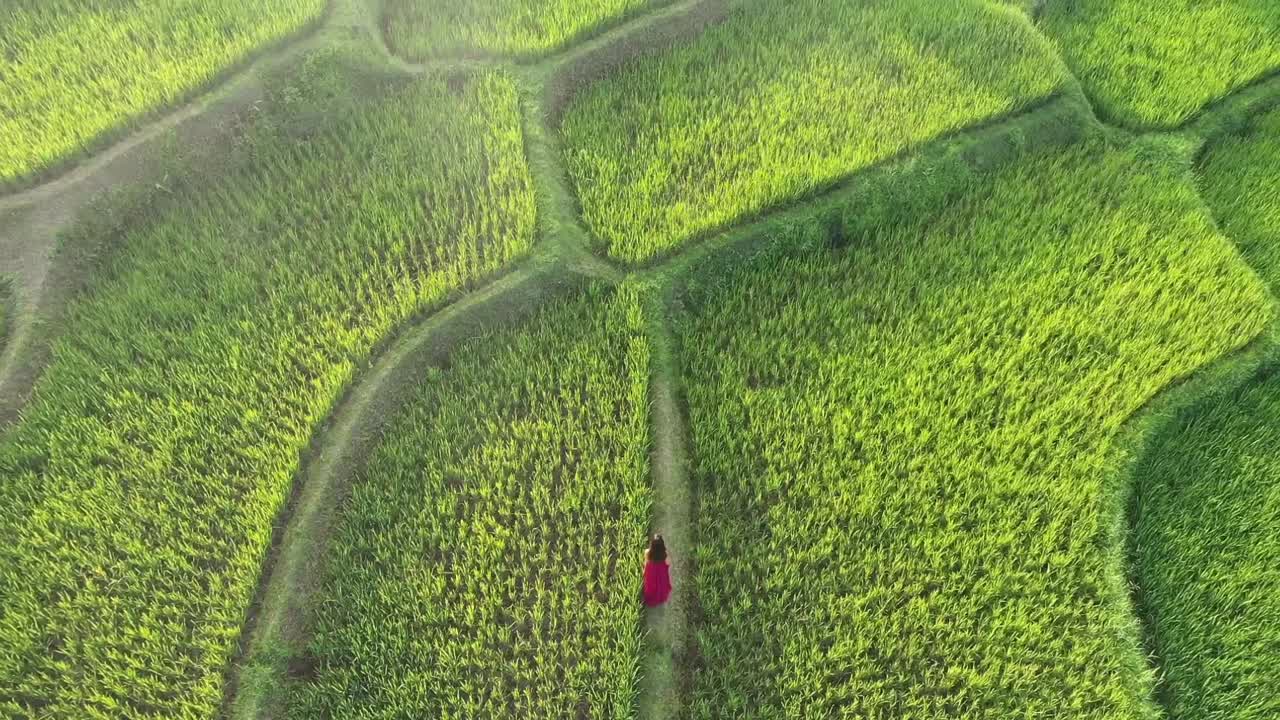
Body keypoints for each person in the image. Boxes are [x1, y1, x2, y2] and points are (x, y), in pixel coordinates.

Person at [642, 534, 672, 607]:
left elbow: (646, 563)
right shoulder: (665, 555)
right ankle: (659, 598)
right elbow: (669, 563)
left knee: (650, 587)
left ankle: (650, 598)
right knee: (661, 587)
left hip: (651, 575)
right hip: (661, 576)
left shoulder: (647, 553)